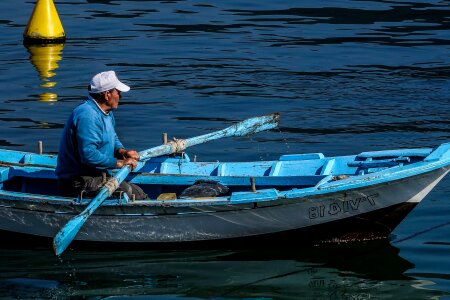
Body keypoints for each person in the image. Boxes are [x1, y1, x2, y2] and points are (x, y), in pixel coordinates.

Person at [56, 70, 148, 200]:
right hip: (78, 181)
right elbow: (89, 155)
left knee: (135, 190)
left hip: (96, 174)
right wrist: (120, 163)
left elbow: (112, 137)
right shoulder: (88, 115)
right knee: (132, 192)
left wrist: (122, 151)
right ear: (107, 95)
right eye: (118, 92)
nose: (120, 96)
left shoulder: (106, 113)